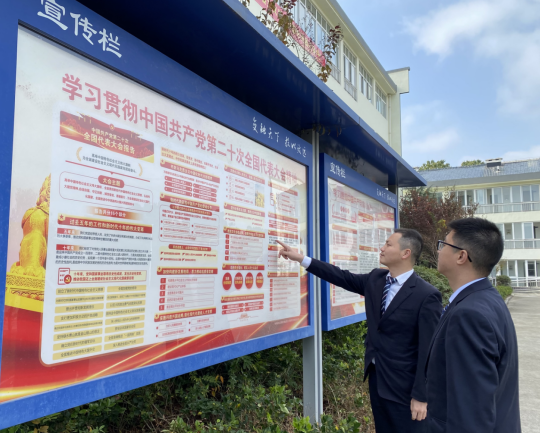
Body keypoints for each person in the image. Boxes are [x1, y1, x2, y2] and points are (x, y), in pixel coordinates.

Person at [277, 229, 442, 433]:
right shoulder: (376, 279)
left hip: (405, 390)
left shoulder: (426, 295)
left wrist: (422, 396)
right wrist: (301, 259)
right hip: (377, 380)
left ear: (405, 253)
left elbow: (430, 351)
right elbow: (340, 276)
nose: (382, 248)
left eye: (389, 244)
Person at [426, 218, 520, 433]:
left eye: (443, 244)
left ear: (461, 256)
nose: (438, 250)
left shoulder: (468, 314)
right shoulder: (487, 299)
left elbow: (469, 413)